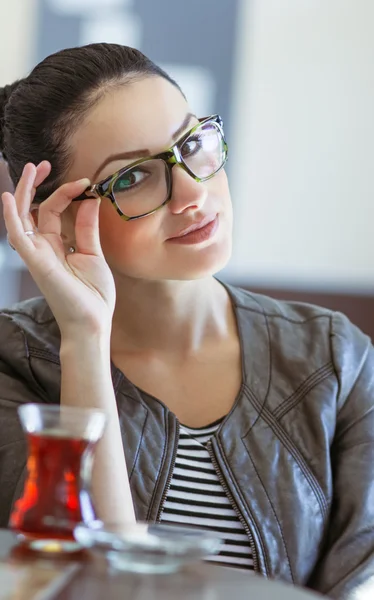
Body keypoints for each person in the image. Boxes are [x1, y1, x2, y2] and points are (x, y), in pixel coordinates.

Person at [0, 43, 373, 599]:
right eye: (131, 179)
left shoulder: (334, 356)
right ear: (54, 218)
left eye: (192, 144)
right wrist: (83, 338)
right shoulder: (13, 362)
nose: (194, 193)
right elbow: (89, 584)